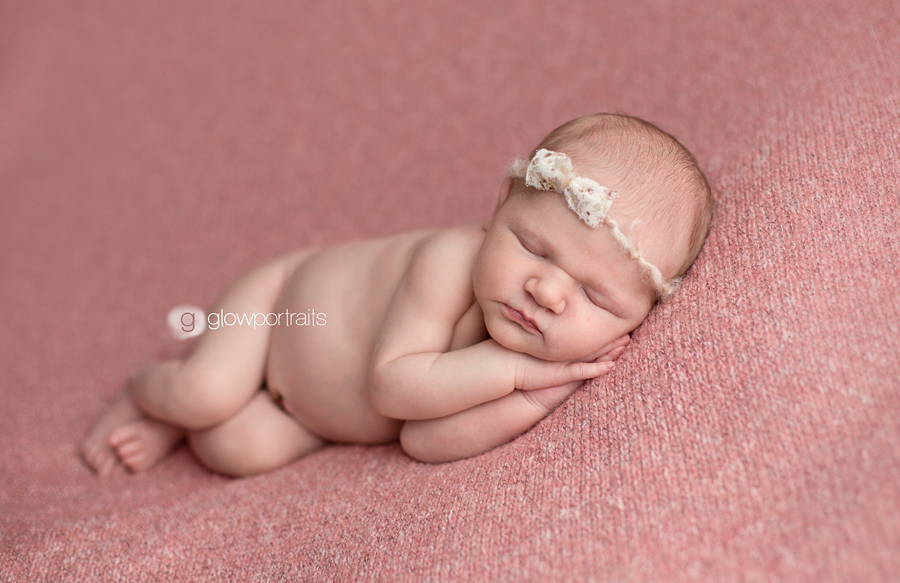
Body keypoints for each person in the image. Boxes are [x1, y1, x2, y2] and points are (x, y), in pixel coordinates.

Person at [81, 112, 715, 476]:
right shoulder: (449, 260)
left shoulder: (542, 358)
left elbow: (421, 440)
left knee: (233, 450)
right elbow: (393, 386)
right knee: (206, 393)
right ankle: (148, 392)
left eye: (595, 299)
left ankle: (186, 423)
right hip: (280, 307)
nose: (546, 289)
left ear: (637, 318)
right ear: (498, 208)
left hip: (302, 409)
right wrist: (518, 371)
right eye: (534, 247)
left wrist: (538, 398)